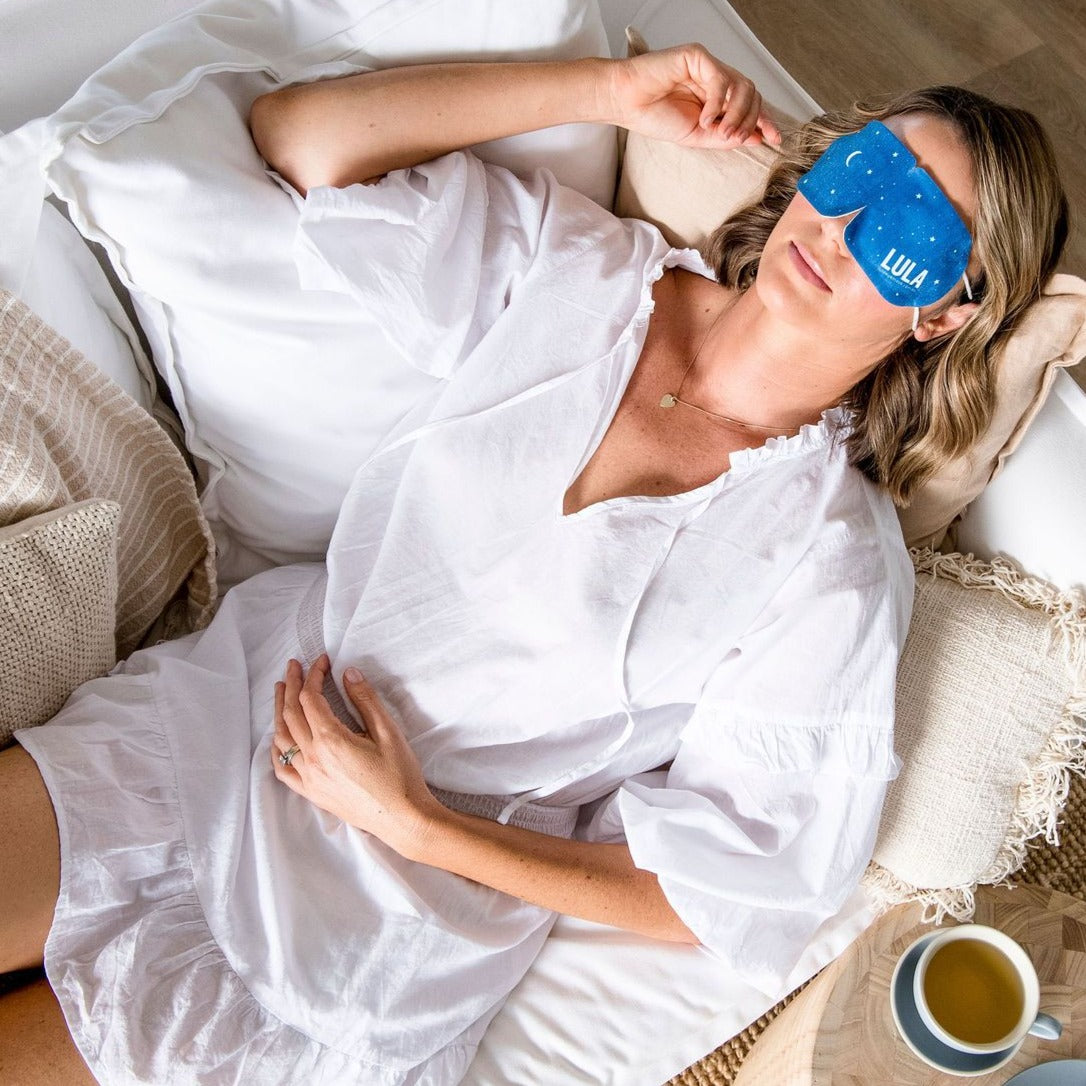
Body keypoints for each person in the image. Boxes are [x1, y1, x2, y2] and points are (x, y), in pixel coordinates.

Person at [0, 43, 1068, 1086]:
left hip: (371, 921)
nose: (843, 226)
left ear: (948, 311)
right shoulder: (585, 271)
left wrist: (418, 824)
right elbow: (304, 142)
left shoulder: (832, 562)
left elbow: (732, 890)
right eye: (863, 172)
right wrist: (608, 89)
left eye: (912, 227)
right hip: (227, 714)